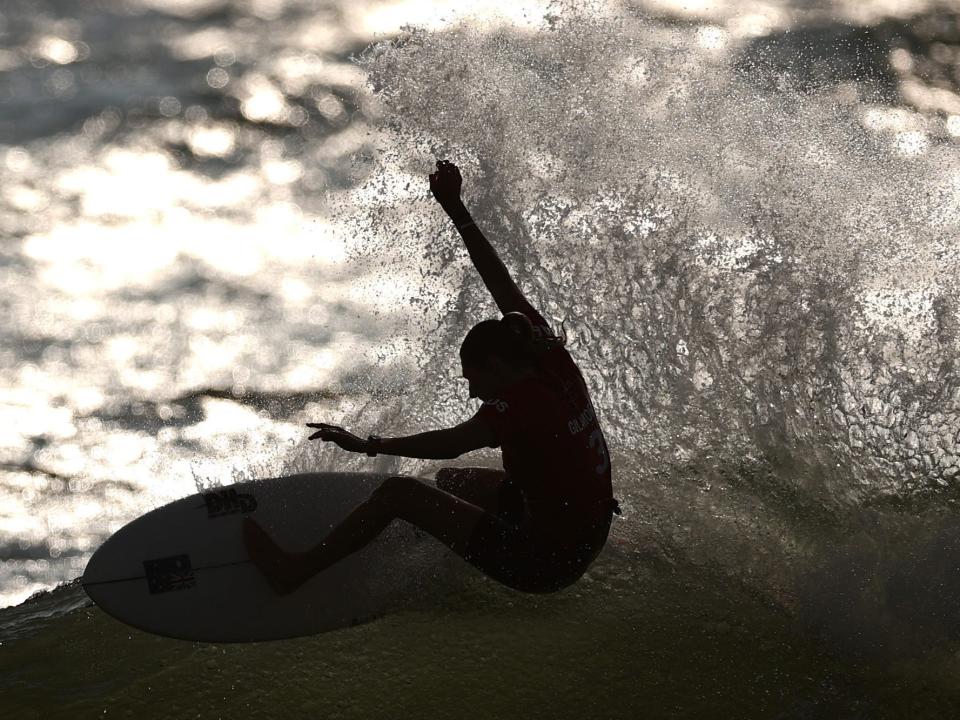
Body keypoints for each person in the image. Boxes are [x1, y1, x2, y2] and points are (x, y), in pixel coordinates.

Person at [243, 159, 619, 595]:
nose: (473, 390)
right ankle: (436, 541)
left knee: (399, 493)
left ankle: (292, 573)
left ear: (497, 367)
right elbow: (499, 280)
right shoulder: (549, 358)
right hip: (587, 535)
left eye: (473, 380)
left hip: (543, 563)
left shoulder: (521, 404)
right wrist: (455, 209)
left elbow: (453, 442)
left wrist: (370, 445)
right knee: (451, 481)